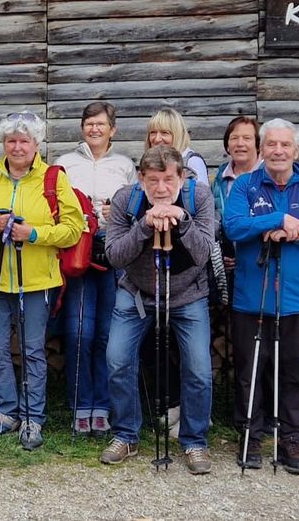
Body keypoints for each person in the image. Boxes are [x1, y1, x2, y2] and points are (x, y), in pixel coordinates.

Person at [224, 118, 299, 475]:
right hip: (252, 297)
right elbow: (232, 227)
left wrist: (295, 232)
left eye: (285, 145)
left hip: (298, 300)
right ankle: (251, 436)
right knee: (251, 371)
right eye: (272, 145)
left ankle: (291, 439)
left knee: (294, 372)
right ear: (262, 149)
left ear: (296, 151)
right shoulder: (246, 185)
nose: (278, 151)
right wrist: (276, 219)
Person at [0, 111, 82, 450]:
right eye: (11, 140)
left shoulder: (54, 179)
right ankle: (6, 411)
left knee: (32, 351)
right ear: (3, 144)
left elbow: (73, 230)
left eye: (24, 140)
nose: (17, 147)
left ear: (36, 144)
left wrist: (34, 234)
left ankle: (33, 417)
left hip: (36, 282)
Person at [99, 145, 216, 474]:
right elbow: (115, 256)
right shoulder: (126, 199)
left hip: (188, 295)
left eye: (168, 179)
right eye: (153, 180)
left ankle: (194, 441)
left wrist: (183, 221)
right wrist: (144, 226)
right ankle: (126, 434)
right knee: (118, 359)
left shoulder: (199, 197)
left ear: (181, 176)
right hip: (137, 293)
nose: (161, 188)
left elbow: (204, 252)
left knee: (198, 368)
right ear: (141, 178)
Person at [54, 101, 136, 437]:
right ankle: (80, 403)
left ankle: (103, 405)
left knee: (107, 333)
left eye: (101, 124)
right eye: (89, 123)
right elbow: (53, 206)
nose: (94, 129)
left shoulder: (125, 165)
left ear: (112, 129)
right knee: (78, 331)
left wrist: (112, 210)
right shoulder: (64, 163)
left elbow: (135, 207)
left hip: (114, 253)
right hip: (77, 252)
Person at [146, 107, 208, 183]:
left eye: (165, 133)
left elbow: (202, 193)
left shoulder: (192, 161)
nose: (157, 139)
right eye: (153, 132)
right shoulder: (148, 162)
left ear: (178, 135)